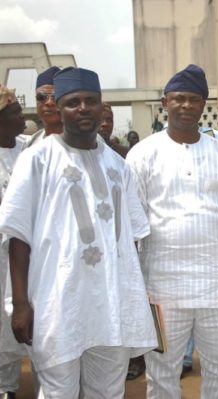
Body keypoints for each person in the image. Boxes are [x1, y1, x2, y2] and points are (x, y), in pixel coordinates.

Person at [0, 67, 157, 398]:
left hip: (113, 305)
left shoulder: (117, 166)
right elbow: (18, 236)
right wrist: (21, 304)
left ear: (101, 108)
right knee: (58, 392)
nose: (83, 108)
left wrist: (135, 296)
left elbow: (131, 237)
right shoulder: (37, 160)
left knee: (108, 392)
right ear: (58, 107)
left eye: (91, 101)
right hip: (58, 302)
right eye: (73, 102)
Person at [127, 64, 218, 399]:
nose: (185, 105)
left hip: (215, 284)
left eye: (193, 99)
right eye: (178, 99)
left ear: (204, 104)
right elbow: (129, 225)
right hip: (160, 286)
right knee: (162, 371)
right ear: (164, 103)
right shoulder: (142, 155)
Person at [0, 84, 27, 399]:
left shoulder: (28, 150)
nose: (22, 116)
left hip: (25, 252)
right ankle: (6, 386)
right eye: (15, 112)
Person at [28, 66, 63, 147]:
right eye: (41, 97)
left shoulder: (86, 143)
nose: (49, 102)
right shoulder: (30, 144)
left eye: (55, 97)